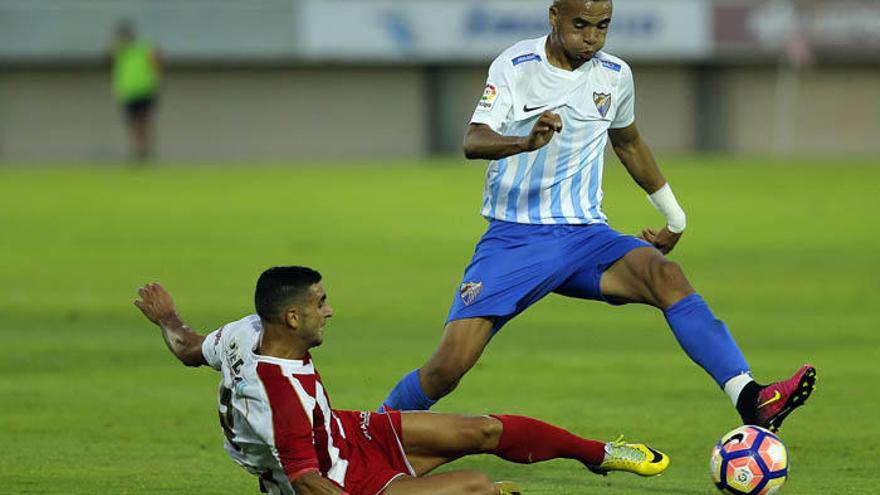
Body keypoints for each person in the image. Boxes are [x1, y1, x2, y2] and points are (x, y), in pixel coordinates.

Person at [379, 0, 816, 433]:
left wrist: (675, 218)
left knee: (666, 277)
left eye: (602, 26)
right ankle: (367, 432)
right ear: (554, 17)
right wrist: (523, 143)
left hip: (587, 236)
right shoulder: (516, 64)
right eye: (580, 25)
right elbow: (473, 140)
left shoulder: (615, 75)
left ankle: (750, 398)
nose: (591, 37)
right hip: (516, 240)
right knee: (447, 370)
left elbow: (627, 142)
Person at [134, 266, 669, 495]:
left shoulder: (245, 331)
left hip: (342, 434)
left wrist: (165, 315)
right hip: (339, 478)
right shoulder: (281, 401)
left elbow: (186, 347)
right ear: (292, 318)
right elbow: (305, 481)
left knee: (481, 430)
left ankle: (600, 454)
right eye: (321, 303)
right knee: (482, 487)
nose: (331, 311)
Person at [109, 20, 161, 162]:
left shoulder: (144, 47)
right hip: (128, 92)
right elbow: (109, 59)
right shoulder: (119, 50)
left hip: (145, 90)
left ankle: (145, 152)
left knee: (143, 122)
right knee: (133, 123)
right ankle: (138, 151)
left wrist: (154, 80)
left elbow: (156, 61)